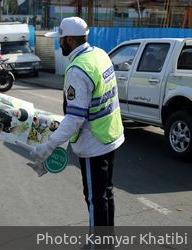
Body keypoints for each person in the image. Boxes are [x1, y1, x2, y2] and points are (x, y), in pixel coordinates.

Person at [32, 17, 125, 227]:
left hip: (93, 142)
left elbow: (75, 118)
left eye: (61, 39)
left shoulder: (77, 70)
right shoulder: (99, 54)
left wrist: (49, 146)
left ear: (70, 40)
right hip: (110, 135)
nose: (59, 43)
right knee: (105, 194)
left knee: (95, 199)